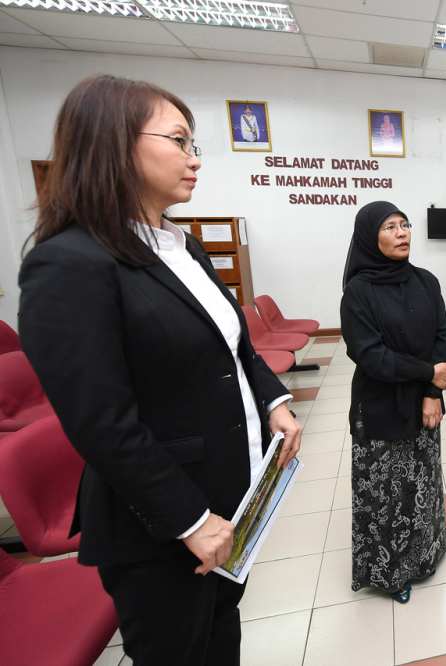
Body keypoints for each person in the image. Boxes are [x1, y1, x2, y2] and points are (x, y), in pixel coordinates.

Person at [17, 75, 302, 666]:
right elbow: (101, 422)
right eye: (179, 140)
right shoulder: (69, 263)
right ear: (115, 144)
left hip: (229, 501)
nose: (195, 159)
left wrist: (273, 401)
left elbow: (234, 349)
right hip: (164, 525)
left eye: (195, 143)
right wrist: (189, 519)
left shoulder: (181, 245)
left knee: (222, 638)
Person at [340, 201, 446, 604]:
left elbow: (442, 336)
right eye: (390, 227)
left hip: (424, 405)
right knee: (385, 493)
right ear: (371, 238)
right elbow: (371, 357)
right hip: (380, 406)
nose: (402, 232)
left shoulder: (426, 281)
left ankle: (423, 557)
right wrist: (427, 375)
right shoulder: (358, 293)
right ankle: (387, 573)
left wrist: (432, 394)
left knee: (421, 481)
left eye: (404, 225)